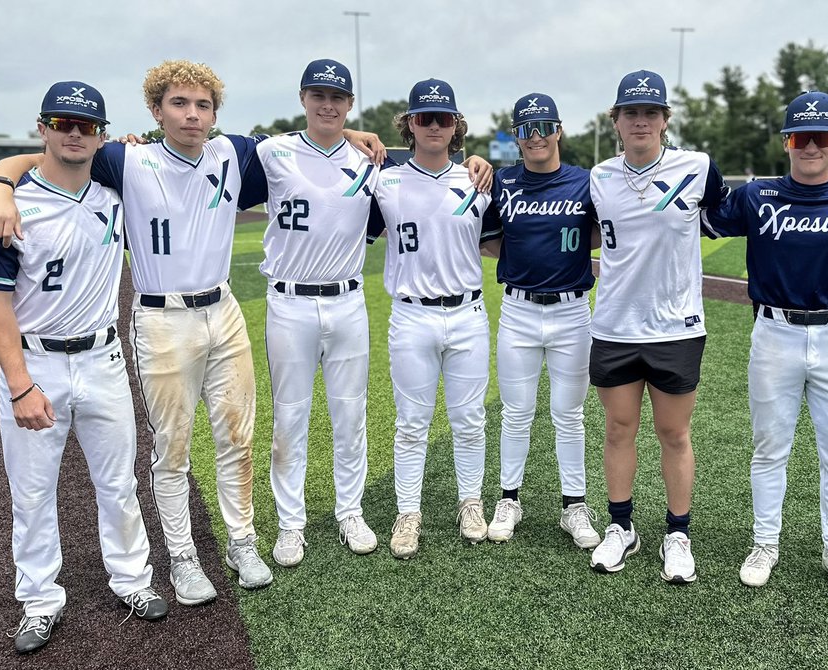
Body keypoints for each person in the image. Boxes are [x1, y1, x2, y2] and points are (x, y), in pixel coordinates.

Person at [0, 60, 384, 604]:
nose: (192, 115)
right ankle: (183, 556)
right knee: (172, 449)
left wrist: (354, 132)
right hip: (161, 317)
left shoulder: (234, 152)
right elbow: (50, 154)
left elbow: (311, 138)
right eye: (179, 104)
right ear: (155, 111)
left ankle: (242, 541)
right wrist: (2, 180)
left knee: (237, 436)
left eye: (203, 106)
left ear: (215, 113)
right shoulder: (126, 158)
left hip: (225, 310)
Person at [0, 82, 167, 653]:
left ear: (101, 134)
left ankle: (132, 581)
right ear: (42, 127)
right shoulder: (5, 207)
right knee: (31, 493)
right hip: (36, 362)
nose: (73, 133)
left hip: (103, 358)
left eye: (86, 125)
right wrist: (19, 384)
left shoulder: (114, 190)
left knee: (119, 483)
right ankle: (38, 600)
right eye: (62, 122)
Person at [704, 91, 828, 600]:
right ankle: (764, 544)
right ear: (786, 141)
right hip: (774, 332)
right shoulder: (757, 195)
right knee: (770, 447)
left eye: (820, 136)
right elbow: (708, 216)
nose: (810, 146)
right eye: (800, 136)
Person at [587, 70, 728, 583]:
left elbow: (722, 216)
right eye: (631, 113)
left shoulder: (697, 167)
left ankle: (678, 533)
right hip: (615, 326)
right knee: (619, 429)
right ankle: (621, 528)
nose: (641, 120)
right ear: (617, 121)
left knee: (673, 432)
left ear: (665, 120)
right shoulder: (598, 177)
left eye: (651, 112)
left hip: (676, 328)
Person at [366, 78, 501, 560]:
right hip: (411, 316)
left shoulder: (480, 180)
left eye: (444, 118)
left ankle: (470, 502)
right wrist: (357, 136)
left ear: (456, 126)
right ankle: (408, 512)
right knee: (411, 423)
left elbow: (504, 239)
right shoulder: (384, 180)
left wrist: (483, 162)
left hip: (467, 314)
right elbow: (329, 142)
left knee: (469, 420)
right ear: (409, 125)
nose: (435, 126)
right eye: (425, 118)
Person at [255, 59, 382, 566]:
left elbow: (430, 160)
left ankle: (349, 510)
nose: (327, 104)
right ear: (303, 98)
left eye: (338, 97)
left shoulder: (370, 160)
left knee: (350, 414)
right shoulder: (271, 151)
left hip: (349, 301)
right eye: (318, 95)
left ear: (350, 103)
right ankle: (291, 523)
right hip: (288, 302)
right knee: (290, 417)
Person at [479, 93, 600, 549]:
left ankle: (574, 507)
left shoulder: (585, 182)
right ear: (516, 136)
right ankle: (509, 499)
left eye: (543, 126)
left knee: (569, 416)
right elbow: (490, 241)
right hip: (518, 310)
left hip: (572, 312)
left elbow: (601, 231)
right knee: (516, 413)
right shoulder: (502, 182)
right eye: (525, 129)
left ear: (558, 130)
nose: (536, 137)